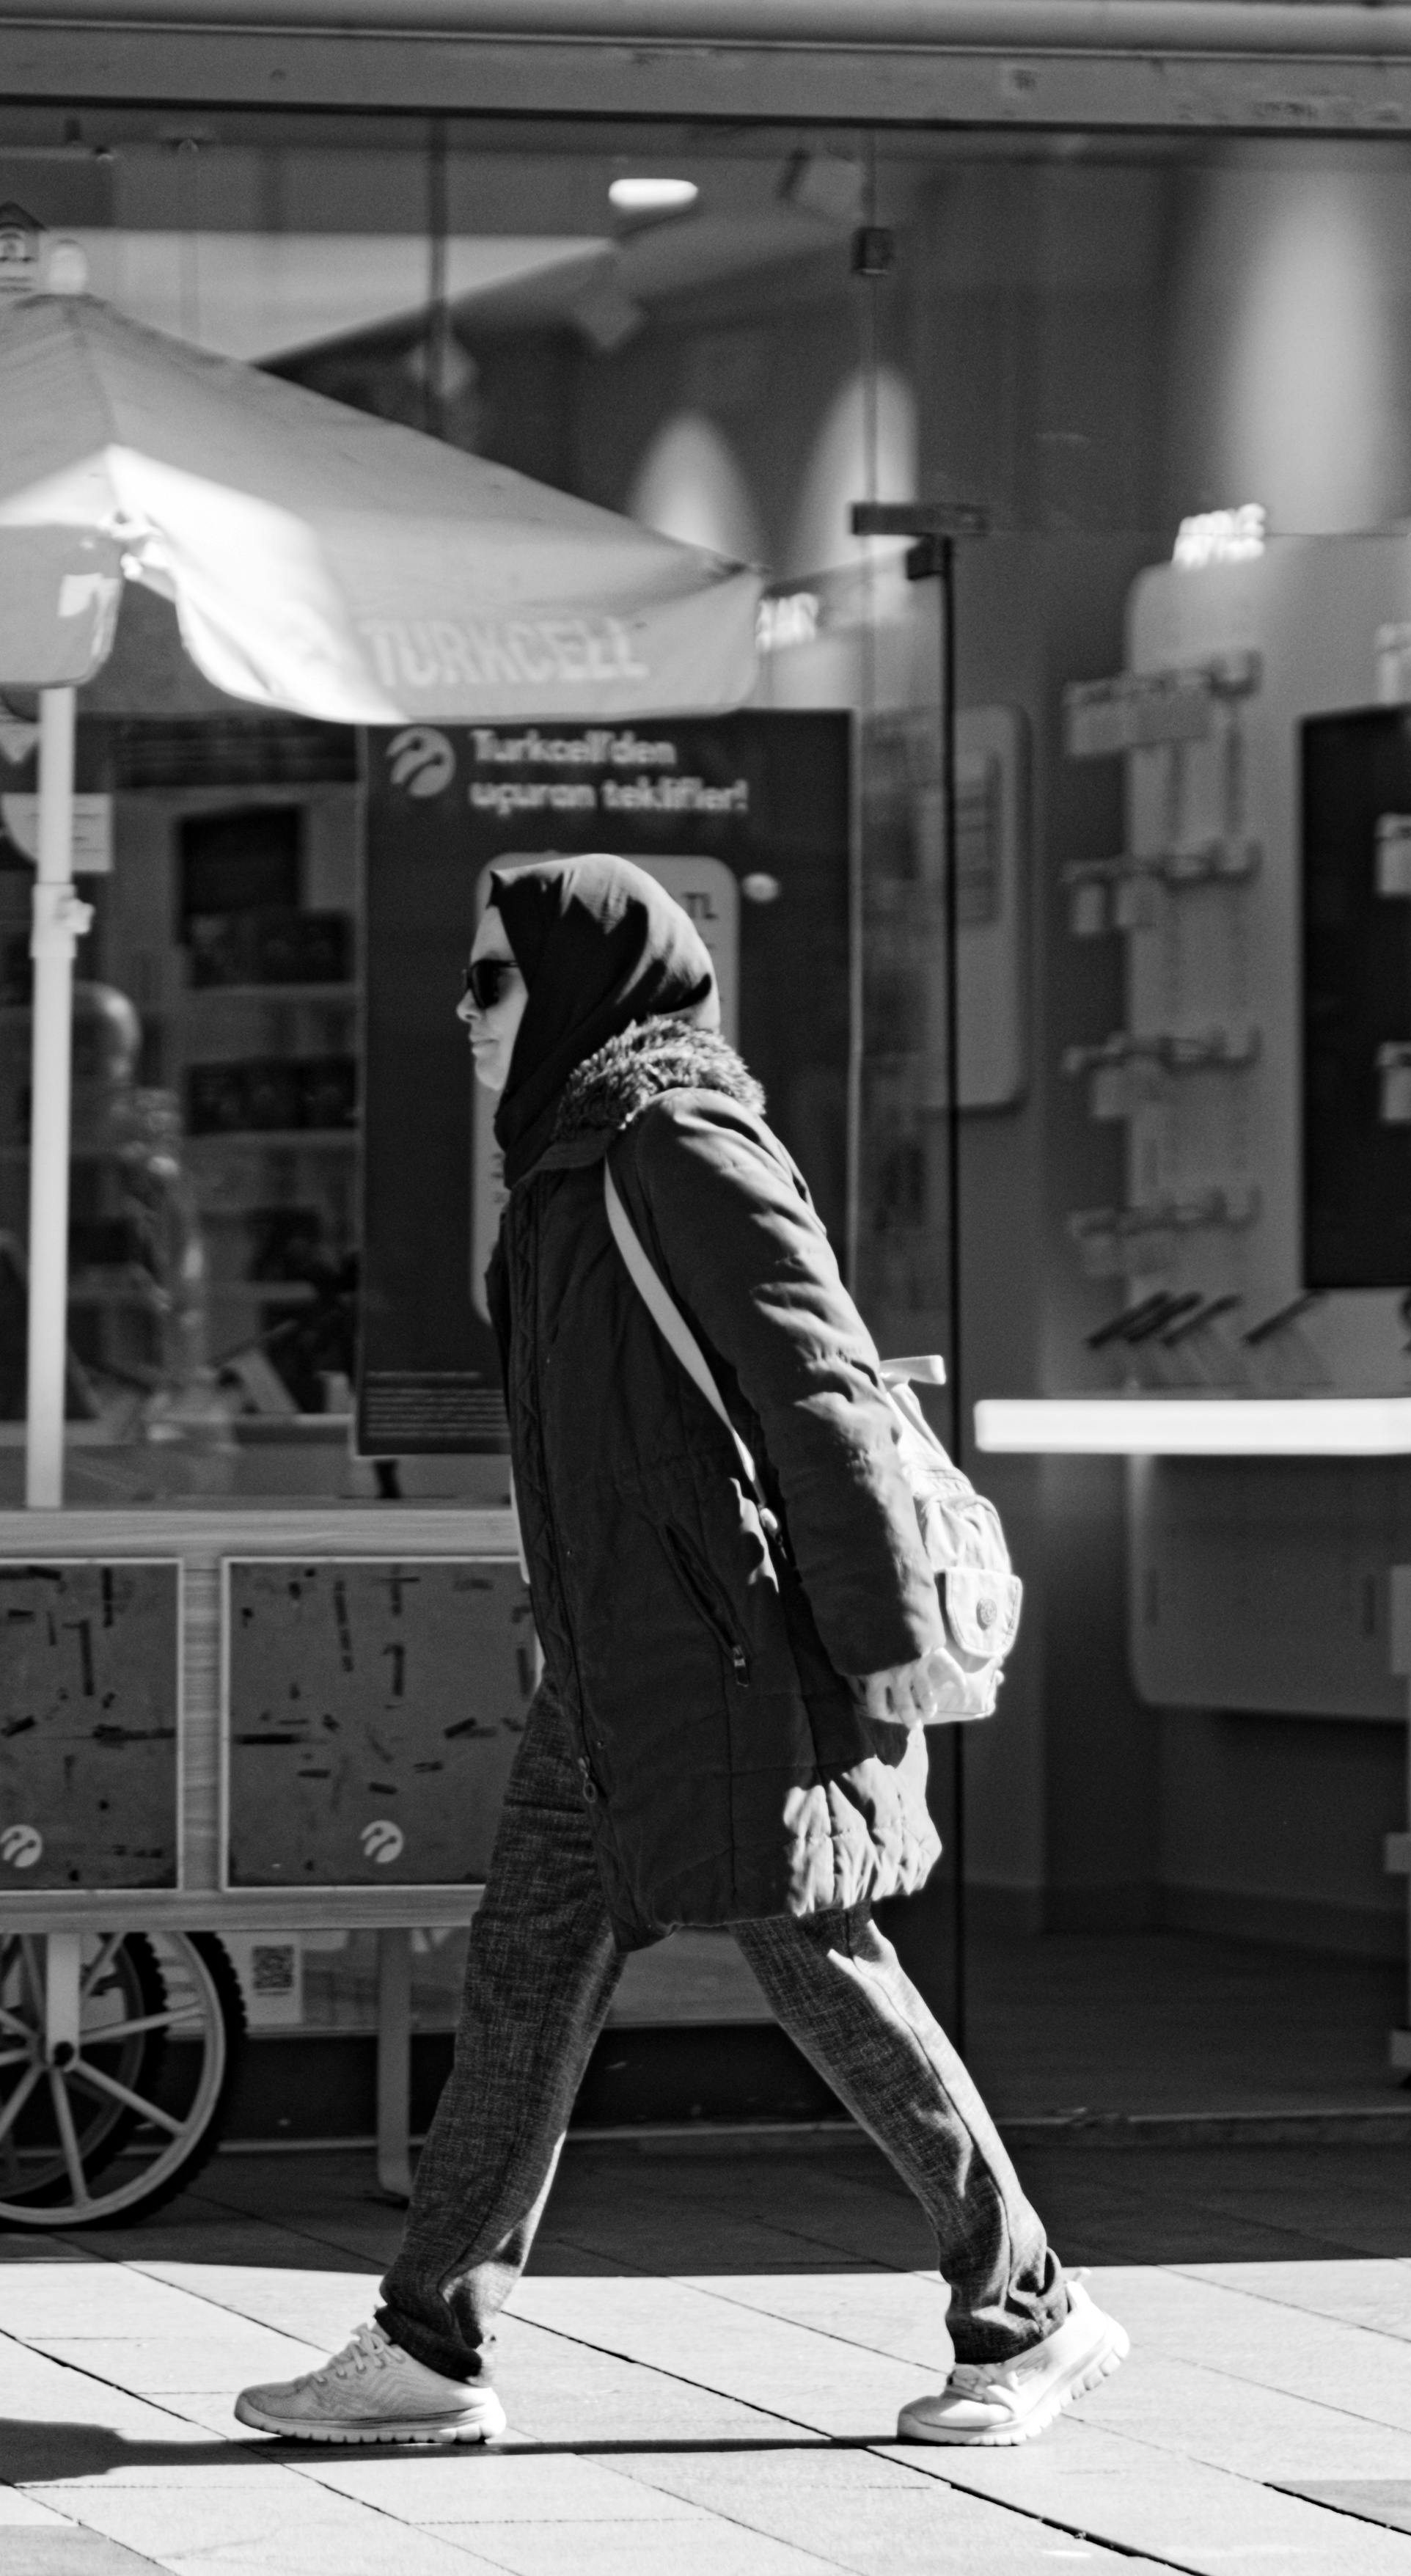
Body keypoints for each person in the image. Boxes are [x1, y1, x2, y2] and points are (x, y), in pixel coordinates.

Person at [235, 855, 1124, 2452]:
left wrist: (882, 1644)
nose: (463, 1010)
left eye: (493, 979)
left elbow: (819, 1387)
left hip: (721, 1661)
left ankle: (1032, 2311)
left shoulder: (680, 1139)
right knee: (522, 1987)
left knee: (822, 1971)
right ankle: (428, 2343)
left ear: (584, 986)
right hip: (615, 1667)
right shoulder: (569, 1159)